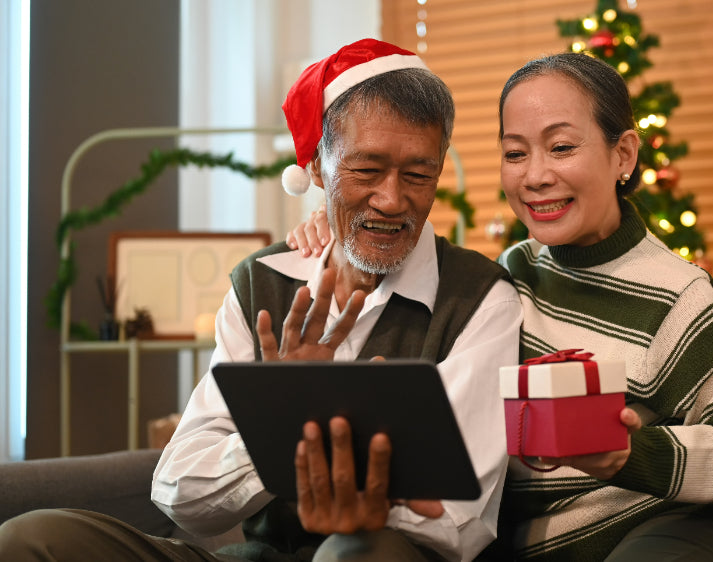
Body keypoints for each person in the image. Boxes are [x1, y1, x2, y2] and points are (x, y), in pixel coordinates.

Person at [0, 39, 521, 562]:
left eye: (418, 174)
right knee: (33, 539)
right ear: (317, 166)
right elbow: (180, 492)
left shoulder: (479, 299)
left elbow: (457, 519)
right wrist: (285, 420)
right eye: (366, 170)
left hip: (384, 555)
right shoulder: (262, 285)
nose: (392, 199)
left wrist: (355, 499)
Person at [289, 52, 713, 561]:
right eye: (515, 153)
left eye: (562, 147)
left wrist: (632, 455)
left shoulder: (676, 293)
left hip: (668, 532)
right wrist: (334, 216)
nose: (535, 176)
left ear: (623, 155)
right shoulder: (507, 275)